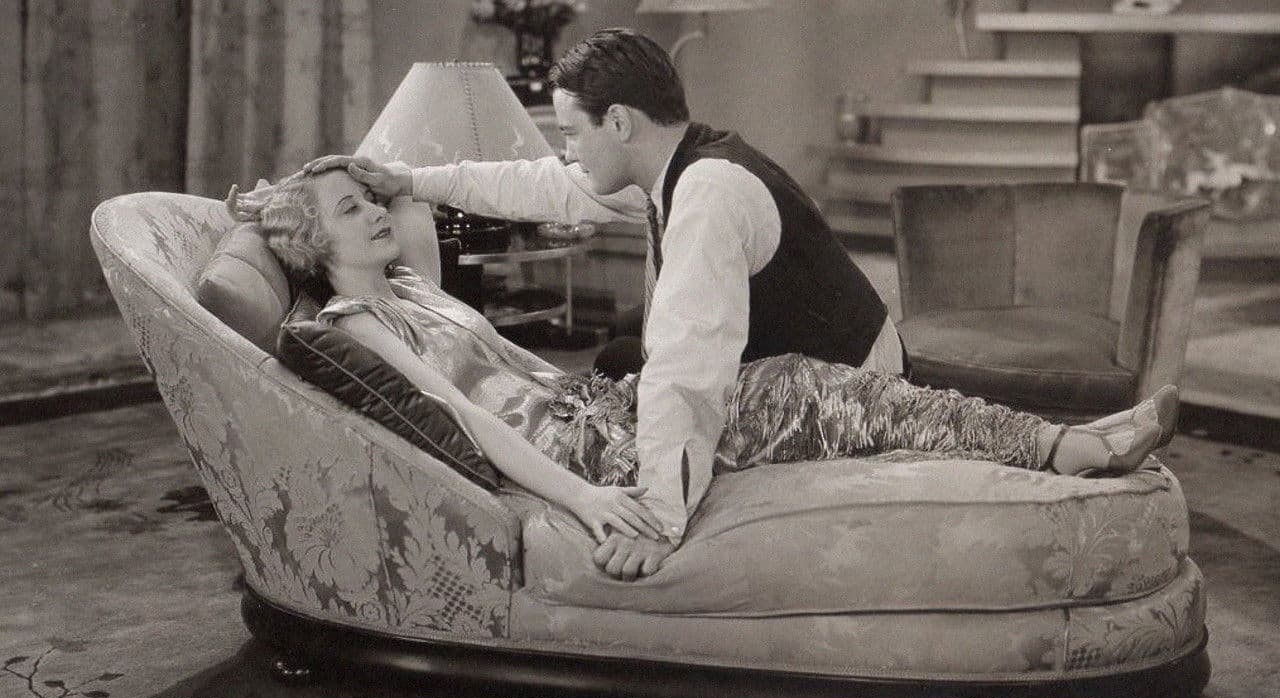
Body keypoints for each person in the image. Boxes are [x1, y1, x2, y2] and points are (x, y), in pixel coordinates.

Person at [228, 167, 1178, 582]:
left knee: (821, 391)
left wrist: (309, 190)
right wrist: (589, 501)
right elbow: (464, 420)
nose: (374, 214)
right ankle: (1062, 446)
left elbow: (407, 201)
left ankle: (1051, 444)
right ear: (315, 244)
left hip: (602, 409)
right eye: (349, 211)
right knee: (816, 390)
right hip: (587, 451)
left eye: (365, 201)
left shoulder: (405, 282)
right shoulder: (354, 322)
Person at [295, 28, 913, 578]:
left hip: (841, 382)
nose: (568, 153)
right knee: (620, 359)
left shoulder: (707, 193)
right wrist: (410, 180)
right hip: (815, 354)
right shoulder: (677, 161)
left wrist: (660, 518)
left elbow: (687, 369)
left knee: (645, 371)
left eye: (570, 133)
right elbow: (544, 185)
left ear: (618, 123)